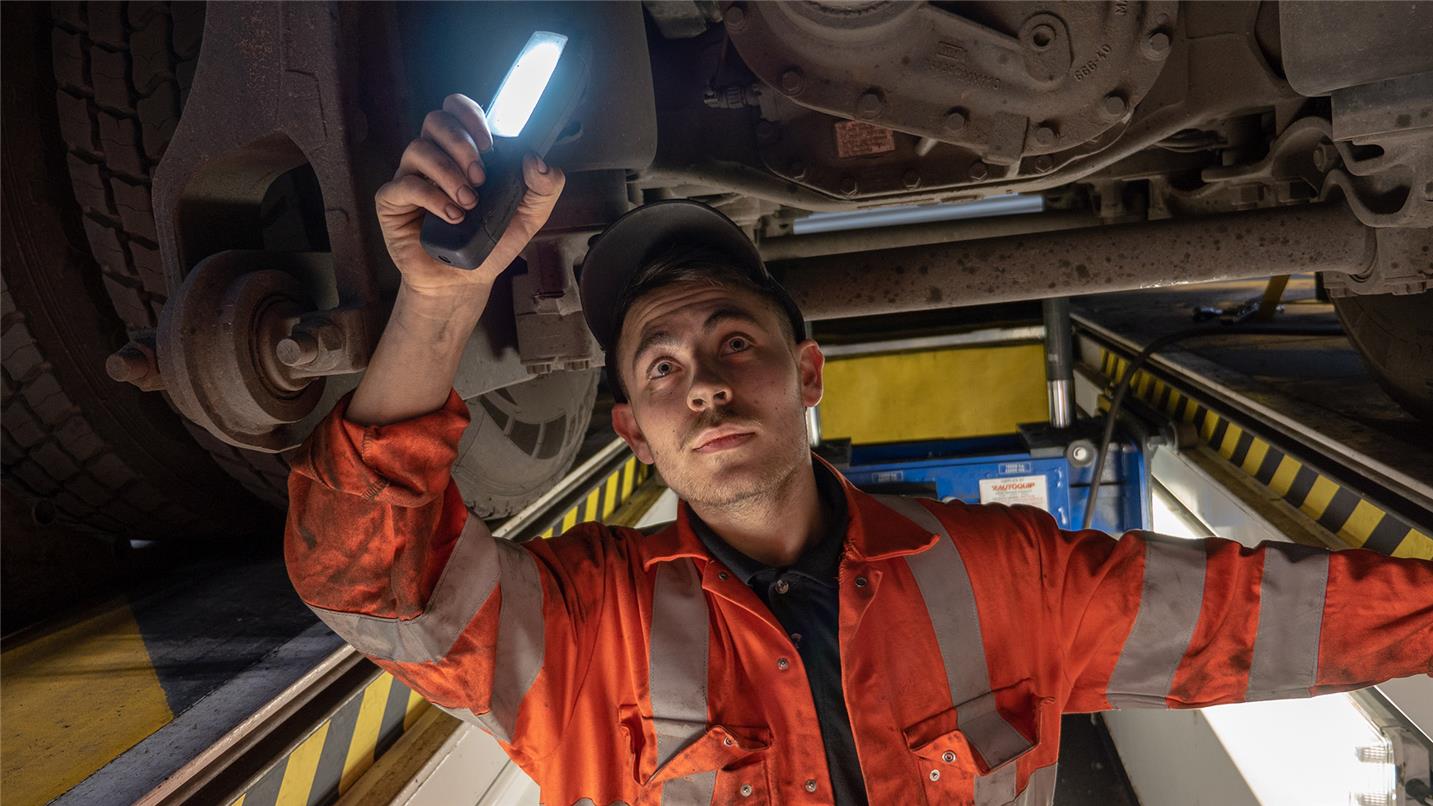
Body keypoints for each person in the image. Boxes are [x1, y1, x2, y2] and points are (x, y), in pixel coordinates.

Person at [284, 94, 1433, 806]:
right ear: (632, 431)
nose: (710, 383)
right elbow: (362, 579)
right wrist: (437, 301)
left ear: (809, 372)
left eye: (735, 339)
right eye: (664, 367)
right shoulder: (584, 631)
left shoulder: (1004, 577)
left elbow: (1253, 620)